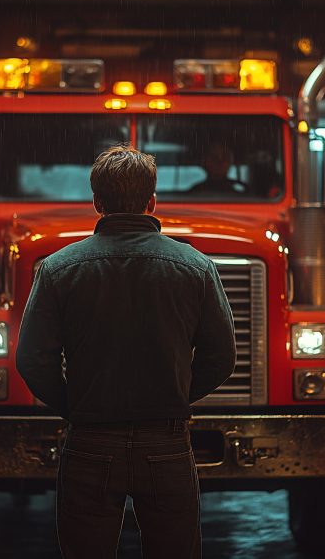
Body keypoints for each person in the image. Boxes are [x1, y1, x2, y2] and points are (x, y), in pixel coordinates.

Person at [17, 145, 236, 559]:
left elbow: (32, 360)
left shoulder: (58, 268)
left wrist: (78, 405)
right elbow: (221, 357)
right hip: (167, 443)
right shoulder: (196, 266)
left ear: (97, 202)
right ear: (153, 201)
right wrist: (172, 397)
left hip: (89, 442)